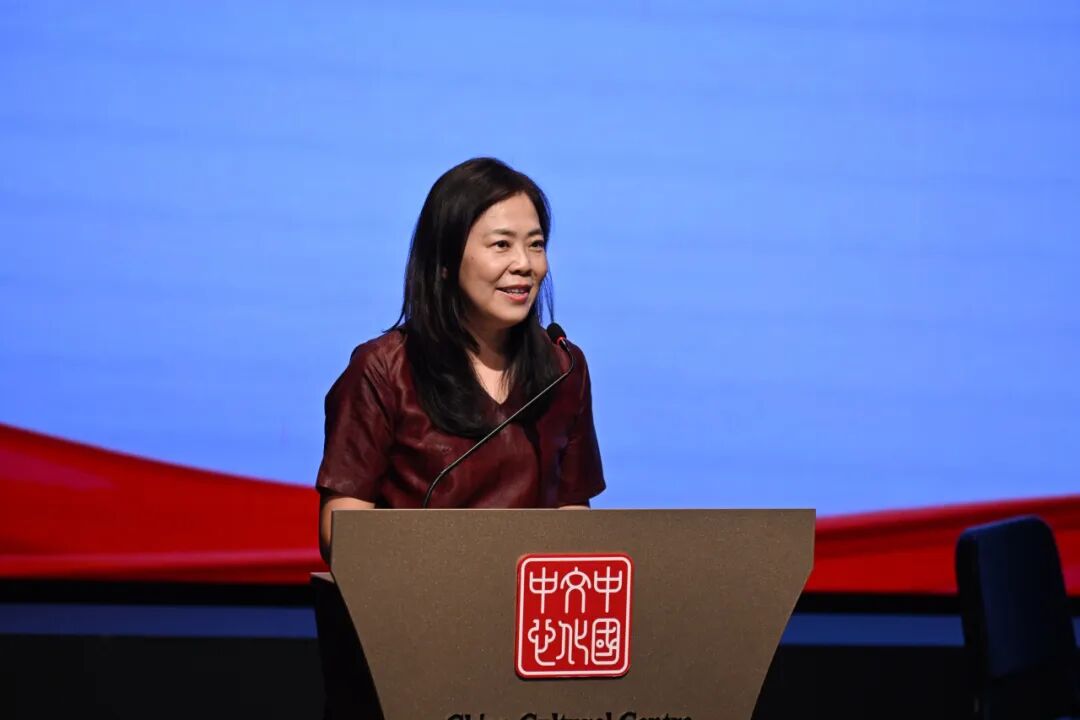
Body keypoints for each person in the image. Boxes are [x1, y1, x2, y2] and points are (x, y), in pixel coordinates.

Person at [316, 157, 605, 561]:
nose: (525, 264)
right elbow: (343, 531)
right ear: (445, 262)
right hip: (417, 591)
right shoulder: (384, 370)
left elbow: (573, 512)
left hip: (525, 597)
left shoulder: (563, 369)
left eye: (535, 244)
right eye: (502, 245)